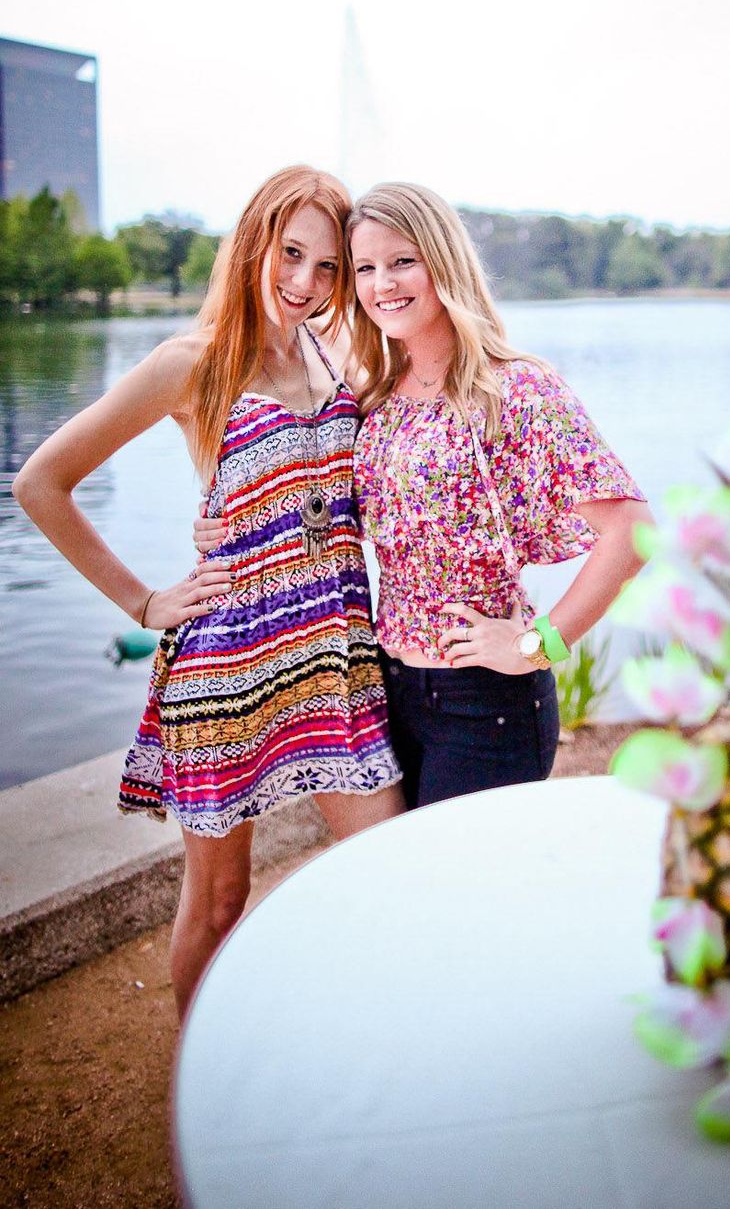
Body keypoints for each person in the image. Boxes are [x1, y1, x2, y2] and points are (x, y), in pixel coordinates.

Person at [13, 166, 405, 1019]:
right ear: (255, 241)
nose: (305, 281)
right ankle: (198, 1067)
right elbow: (41, 483)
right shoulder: (190, 364)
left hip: (335, 659)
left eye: (328, 266)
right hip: (229, 669)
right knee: (220, 901)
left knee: (390, 861)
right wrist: (144, 602)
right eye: (291, 253)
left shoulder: (331, 353)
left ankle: (379, 1040)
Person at [200, 181, 651, 808]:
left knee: (459, 871)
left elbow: (632, 531)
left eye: (402, 261)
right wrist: (230, 524)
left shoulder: (513, 389)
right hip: (390, 692)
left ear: (443, 261)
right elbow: (331, 511)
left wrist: (539, 644)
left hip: (484, 701)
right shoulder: (379, 399)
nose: (383, 283)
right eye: (365, 268)